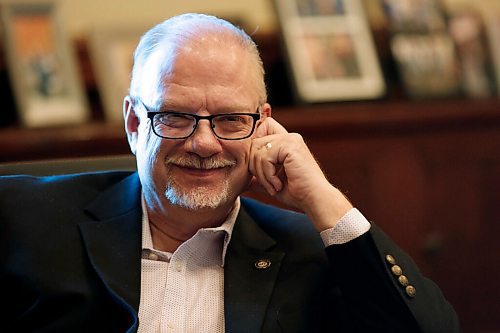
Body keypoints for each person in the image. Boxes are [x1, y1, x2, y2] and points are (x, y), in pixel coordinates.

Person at [0, 13, 460, 333]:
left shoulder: (311, 253)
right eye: (175, 116)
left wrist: (325, 202)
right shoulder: (24, 218)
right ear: (135, 124)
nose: (204, 144)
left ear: (263, 125)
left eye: (230, 120)